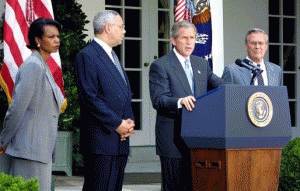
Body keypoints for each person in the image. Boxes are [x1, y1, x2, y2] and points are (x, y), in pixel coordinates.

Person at [149, 20, 224, 191]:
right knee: (174, 187)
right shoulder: (160, 65)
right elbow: (158, 100)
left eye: (192, 38)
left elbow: (219, 86)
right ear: (174, 40)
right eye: (185, 38)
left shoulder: (201, 64)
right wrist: (180, 101)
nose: (190, 42)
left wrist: (238, 91)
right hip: (172, 139)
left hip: (198, 138)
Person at [74, 10, 135, 191]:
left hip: (119, 140)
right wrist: (117, 123)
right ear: (108, 28)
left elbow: (124, 94)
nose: (124, 31)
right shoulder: (88, 56)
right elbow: (89, 98)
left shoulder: (113, 55)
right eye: (121, 26)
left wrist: (129, 123)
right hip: (101, 141)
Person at [0, 18, 63, 190]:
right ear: (37, 40)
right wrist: (3, 141)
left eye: (57, 36)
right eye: (51, 36)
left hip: (40, 149)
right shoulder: (33, 66)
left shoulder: (43, 65)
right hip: (30, 150)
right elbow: (17, 108)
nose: (57, 40)